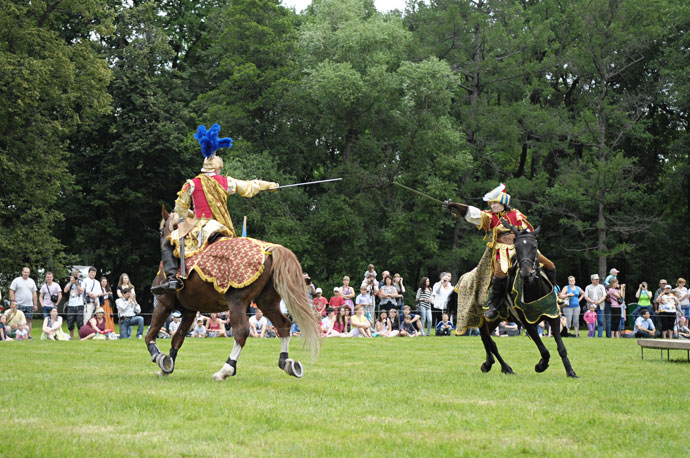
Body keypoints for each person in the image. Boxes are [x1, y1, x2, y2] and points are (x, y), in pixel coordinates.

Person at [152, 123, 279, 294]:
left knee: (168, 241)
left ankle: (173, 279)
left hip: (198, 226)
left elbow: (180, 210)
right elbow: (250, 186)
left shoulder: (191, 184)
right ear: (217, 168)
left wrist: (192, 215)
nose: (221, 170)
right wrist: (269, 185)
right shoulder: (226, 182)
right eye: (220, 168)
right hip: (221, 226)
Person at [444, 183, 555, 320]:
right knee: (500, 273)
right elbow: (473, 213)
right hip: (501, 250)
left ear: (503, 203)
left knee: (550, 265)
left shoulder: (517, 215)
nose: (492, 206)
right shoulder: (490, 217)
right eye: (491, 204)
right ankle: (494, 305)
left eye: (495, 203)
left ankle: (553, 295)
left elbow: (527, 231)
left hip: (521, 248)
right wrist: (455, 205)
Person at [9, 267, 38, 338]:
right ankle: (18, 335)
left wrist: (35, 304)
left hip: (29, 305)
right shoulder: (16, 280)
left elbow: (34, 293)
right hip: (19, 304)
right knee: (19, 321)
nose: (26, 274)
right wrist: (13, 301)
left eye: (28, 272)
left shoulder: (32, 281)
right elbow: (11, 291)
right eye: (25, 272)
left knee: (28, 320)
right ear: (22, 272)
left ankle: (28, 335)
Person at [64, 269, 85, 340]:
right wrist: (70, 283)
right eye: (74, 275)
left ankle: (80, 336)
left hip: (79, 304)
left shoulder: (82, 282)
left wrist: (76, 284)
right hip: (71, 305)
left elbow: (81, 291)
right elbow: (65, 290)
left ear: (78, 275)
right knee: (70, 321)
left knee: (80, 321)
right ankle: (71, 336)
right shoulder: (70, 283)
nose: (76, 277)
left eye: (77, 275)